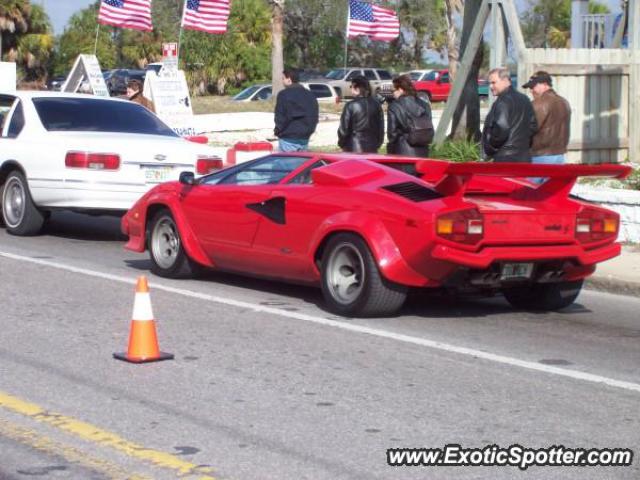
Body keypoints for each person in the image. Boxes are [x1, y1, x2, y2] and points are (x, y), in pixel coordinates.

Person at [482, 67, 537, 162]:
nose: (490, 86)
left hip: (505, 157)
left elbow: (501, 128)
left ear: (505, 80)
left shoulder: (503, 101)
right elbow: (533, 126)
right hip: (523, 156)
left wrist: (491, 146)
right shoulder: (524, 99)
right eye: (489, 83)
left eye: (493, 82)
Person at [523, 71, 571, 166]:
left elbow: (527, 131)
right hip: (559, 157)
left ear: (545, 84)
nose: (531, 90)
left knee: (527, 182)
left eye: (533, 86)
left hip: (540, 158)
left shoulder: (537, 104)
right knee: (555, 181)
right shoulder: (564, 102)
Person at [386, 75, 434, 157]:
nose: (392, 94)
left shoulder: (394, 106)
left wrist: (390, 148)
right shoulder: (425, 104)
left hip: (402, 150)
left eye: (393, 91)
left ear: (401, 89)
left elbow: (392, 133)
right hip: (424, 149)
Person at [274, 69, 319, 152]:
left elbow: (280, 117)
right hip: (305, 137)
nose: (282, 81)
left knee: (286, 164)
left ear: (289, 79)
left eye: (283, 78)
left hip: (288, 138)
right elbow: (314, 115)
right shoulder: (310, 95)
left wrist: (277, 131)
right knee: (301, 164)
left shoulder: (284, 94)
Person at [337, 75, 384, 153]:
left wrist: (342, 144)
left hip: (353, 147)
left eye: (351, 86)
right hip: (372, 147)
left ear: (357, 88)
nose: (350, 89)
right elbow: (381, 129)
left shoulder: (350, 105)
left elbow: (343, 130)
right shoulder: (377, 105)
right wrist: (378, 144)